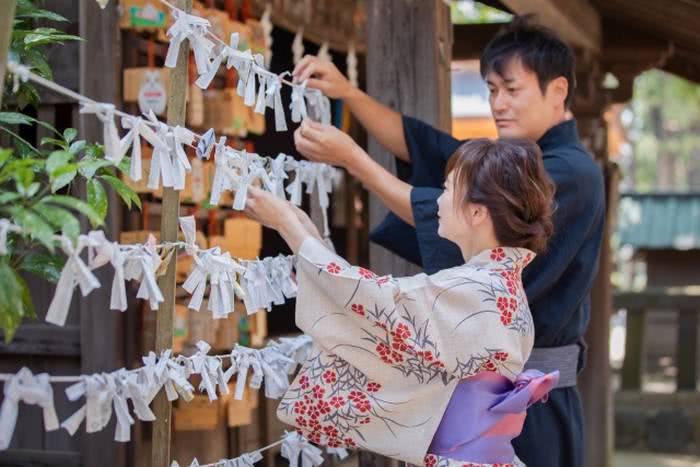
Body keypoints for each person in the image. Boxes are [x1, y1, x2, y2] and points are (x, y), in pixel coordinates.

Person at [290, 18, 605, 467]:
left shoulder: (569, 172)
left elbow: (462, 201)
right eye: (492, 90)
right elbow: (433, 151)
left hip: (525, 403)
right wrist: (351, 95)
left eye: (511, 90)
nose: (498, 103)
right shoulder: (527, 165)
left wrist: (354, 161)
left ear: (557, 90)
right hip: (487, 402)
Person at [245, 138, 559, 467]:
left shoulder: (477, 289)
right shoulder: (496, 284)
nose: (438, 200)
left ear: (477, 212)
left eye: (448, 189)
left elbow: (376, 304)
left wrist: (287, 225)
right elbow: (374, 302)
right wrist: (301, 230)